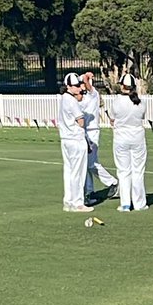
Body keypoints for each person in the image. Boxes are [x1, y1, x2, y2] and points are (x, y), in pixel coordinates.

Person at [106, 72, 148, 212]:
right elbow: (141, 117)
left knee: (123, 171)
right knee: (138, 171)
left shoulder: (117, 101)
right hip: (137, 137)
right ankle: (139, 203)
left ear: (122, 86)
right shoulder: (140, 102)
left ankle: (125, 204)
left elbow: (112, 119)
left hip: (121, 138)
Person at [79, 71, 118, 205]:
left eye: (81, 84)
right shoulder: (78, 98)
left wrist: (87, 77)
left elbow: (87, 83)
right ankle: (89, 193)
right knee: (85, 165)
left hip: (92, 132)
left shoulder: (93, 94)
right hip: (82, 132)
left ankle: (112, 182)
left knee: (91, 163)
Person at [58, 72, 94, 213]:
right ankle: (77, 203)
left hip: (66, 139)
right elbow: (80, 120)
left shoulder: (64, 99)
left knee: (69, 171)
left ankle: (68, 201)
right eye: (76, 86)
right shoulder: (71, 101)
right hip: (75, 139)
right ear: (68, 86)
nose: (79, 88)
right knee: (78, 172)